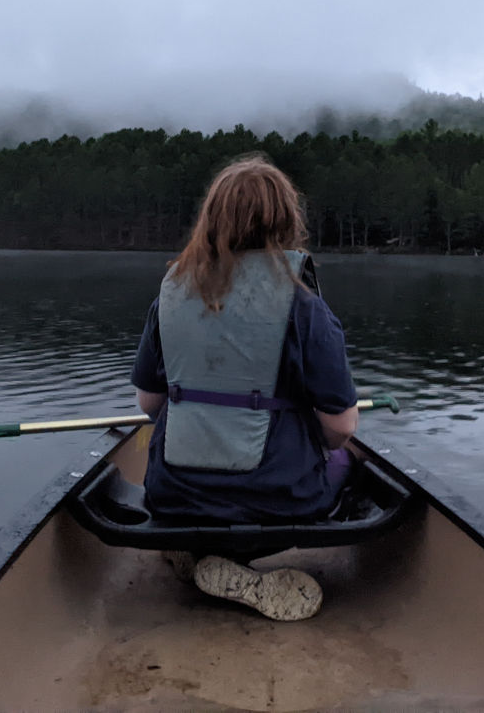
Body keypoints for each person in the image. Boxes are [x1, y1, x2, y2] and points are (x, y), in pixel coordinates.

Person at [130, 155, 359, 620]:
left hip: (173, 495)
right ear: (286, 222)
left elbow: (150, 403)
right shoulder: (305, 308)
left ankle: (198, 552)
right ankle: (238, 561)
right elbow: (340, 427)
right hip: (279, 502)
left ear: (210, 221)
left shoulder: (170, 296)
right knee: (350, 463)